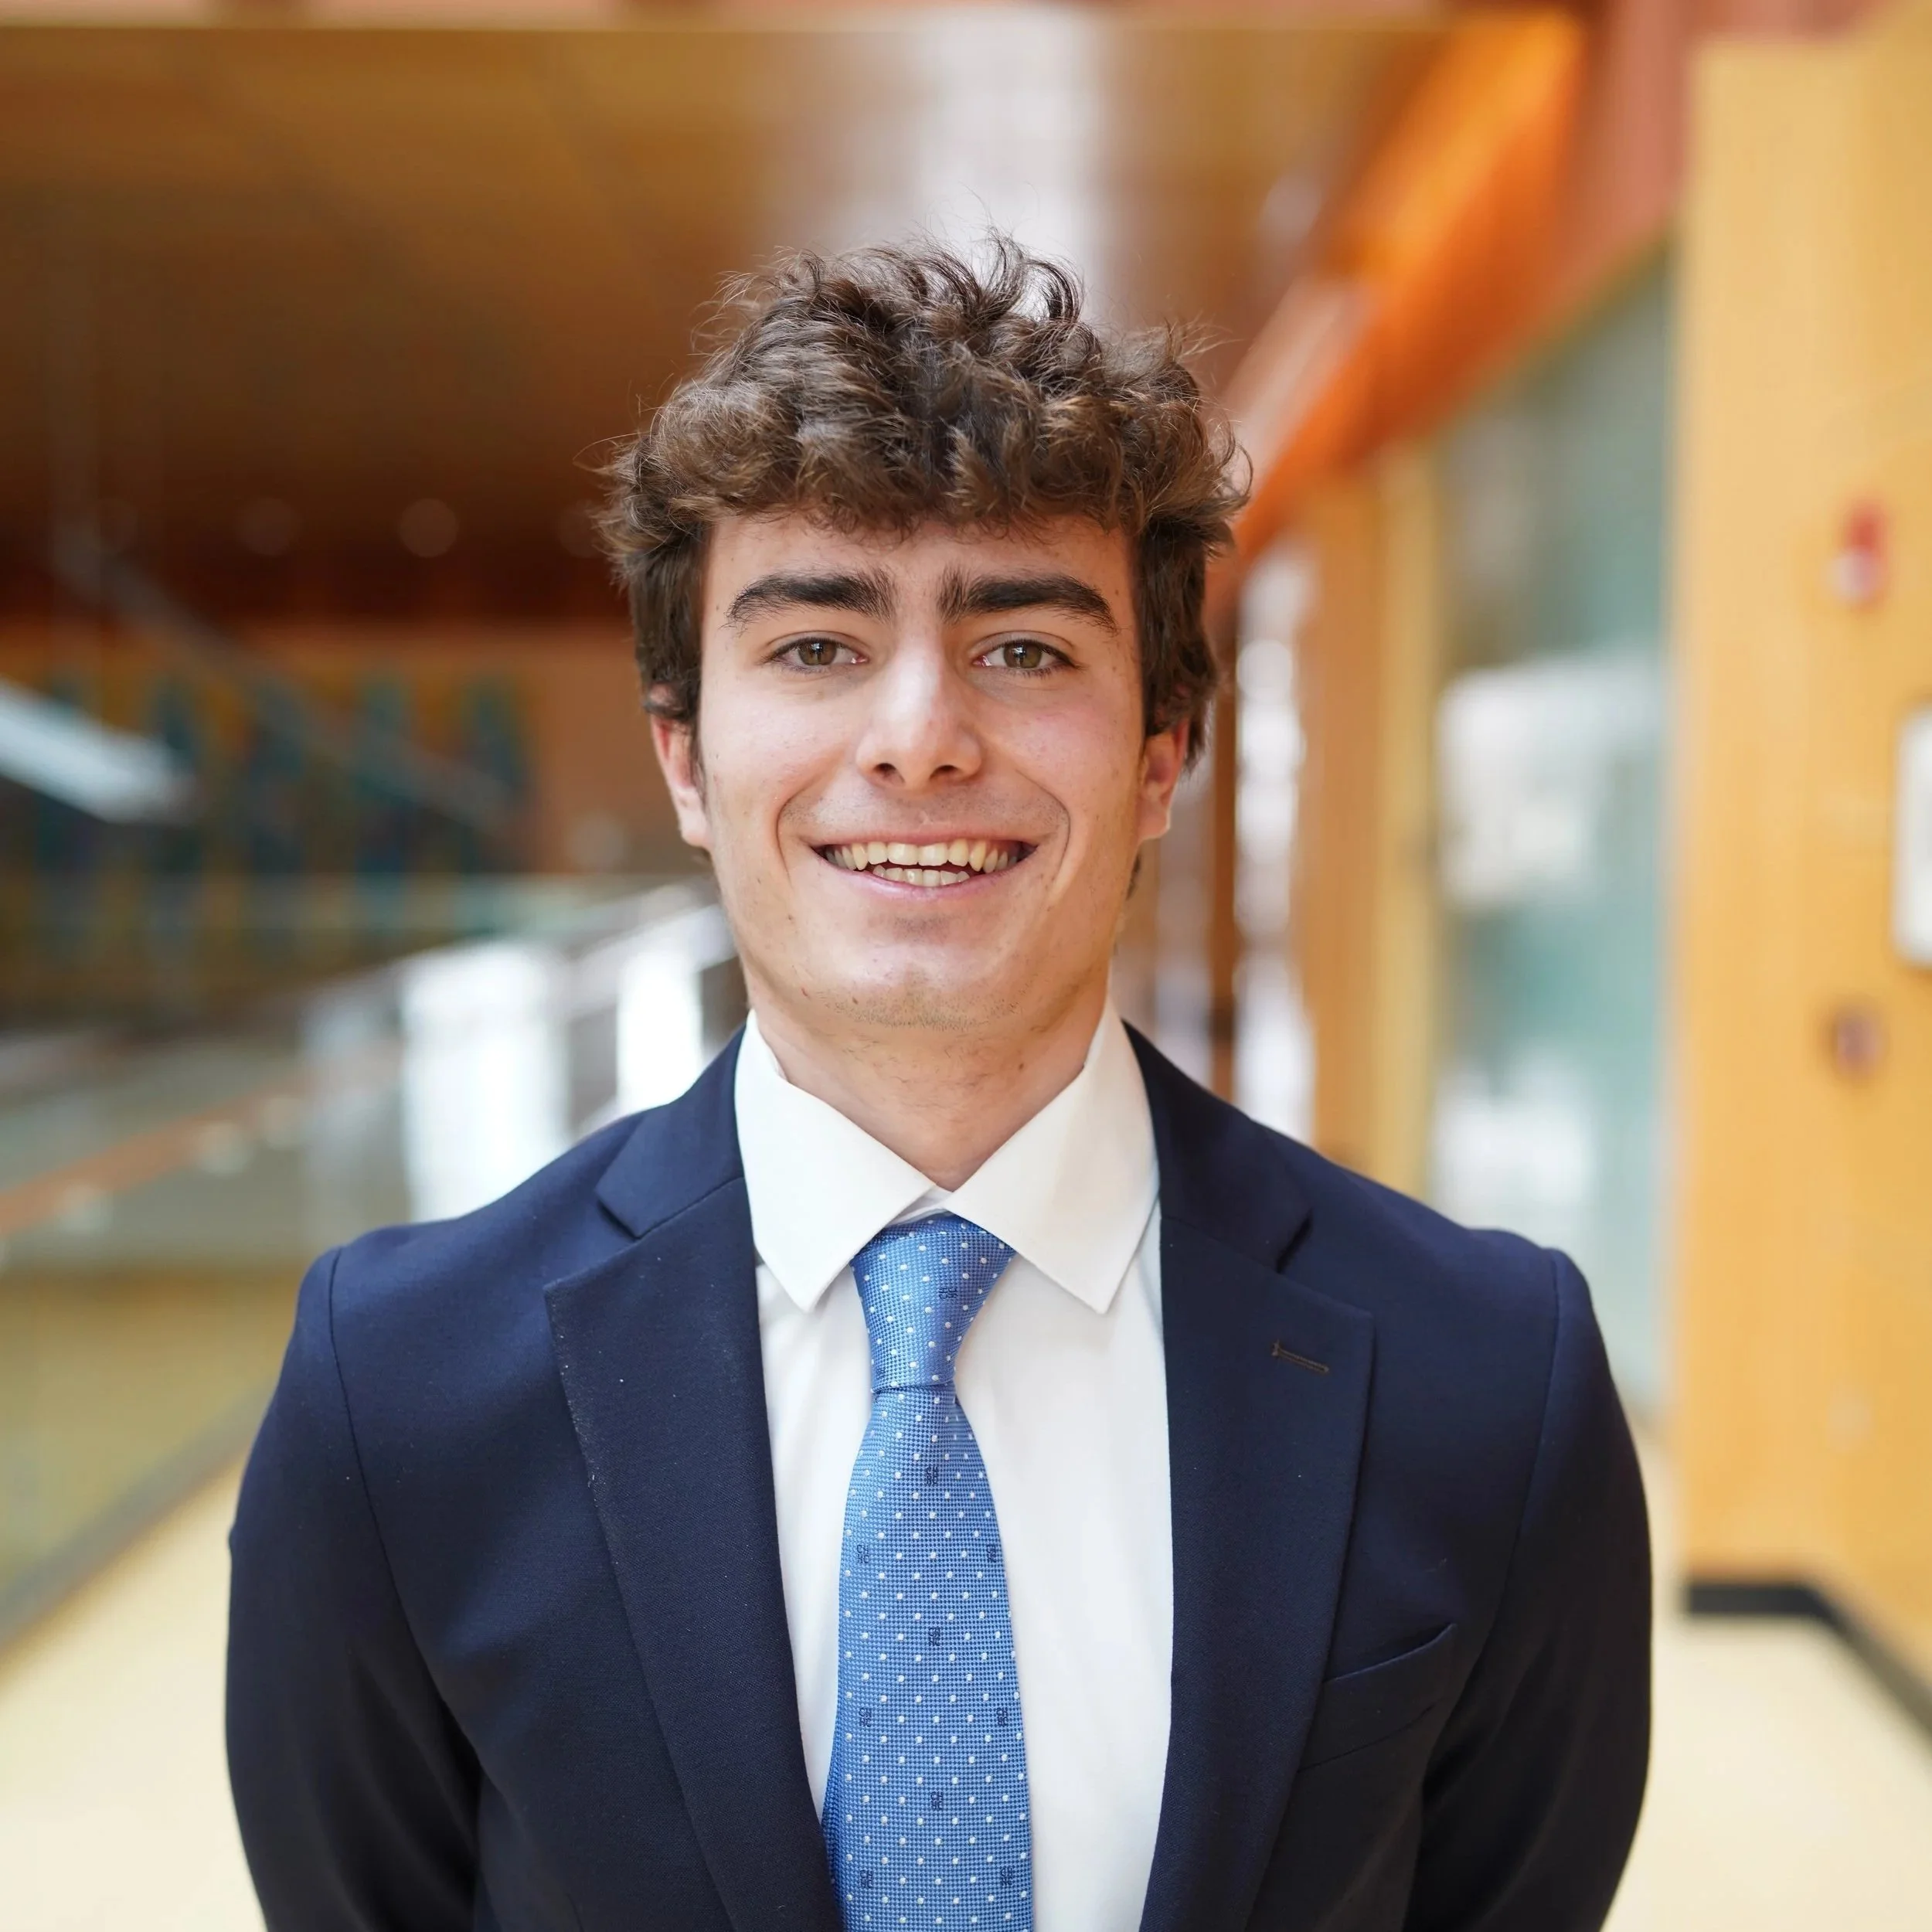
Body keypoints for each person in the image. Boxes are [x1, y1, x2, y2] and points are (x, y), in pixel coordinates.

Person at [226, 239, 1650, 1932]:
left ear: (1161, 757)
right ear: (684, 756)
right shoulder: (399, 1397)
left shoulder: (1487, 1380)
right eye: (815, 646)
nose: (918, 736)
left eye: (1025, 650)